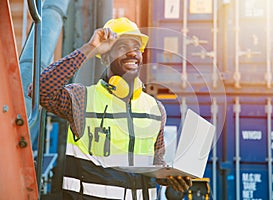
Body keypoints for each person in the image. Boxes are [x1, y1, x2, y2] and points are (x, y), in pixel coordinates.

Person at [29, 17, 192, 199]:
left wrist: (168, 178)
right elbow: (40, 90)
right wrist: (90, 48)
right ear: (106, 56)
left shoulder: (155, 109)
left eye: (136, 48)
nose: (132, 53)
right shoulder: (82, 99)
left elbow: (156, 162)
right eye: (123, 47)